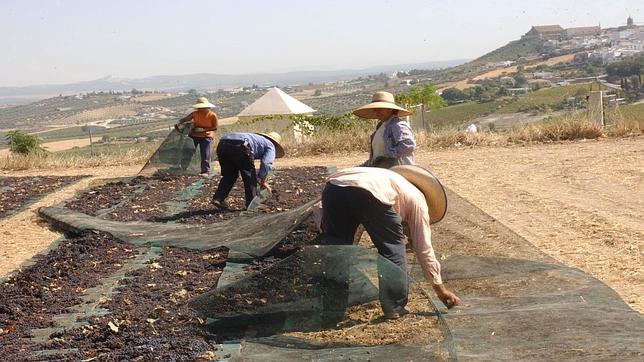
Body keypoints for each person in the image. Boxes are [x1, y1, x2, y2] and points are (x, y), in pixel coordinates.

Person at [317, 165, 460, 319]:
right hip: (369, 192)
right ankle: (394, 307)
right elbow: (423, 248)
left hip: (333, 189)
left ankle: (332, 309)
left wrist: (329, 233)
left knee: (337, 250)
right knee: (392, 248)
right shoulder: (418, 200)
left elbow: (318, 209)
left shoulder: (391, 181)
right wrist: (439, 289)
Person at [212, 132, 285, 209]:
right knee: (250, 176)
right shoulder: (271, 145)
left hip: (222, 143)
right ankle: (251, 204)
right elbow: (266, 163)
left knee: (229, 175)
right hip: (241, 145)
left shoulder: (257, 139)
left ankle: (218, 198)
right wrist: (262, 180)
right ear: (276, 144)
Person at [353, 91, 416, 168]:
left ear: (390, 109)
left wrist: (387, 157)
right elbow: (376, 156)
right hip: (381, 170)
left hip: (398, 171)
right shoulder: (380, 127)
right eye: (375, 109)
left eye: (380, 108)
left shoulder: (397, 125)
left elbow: (408, 145)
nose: (377, 111)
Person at [175, 96, 218, 175]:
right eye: (200, 108)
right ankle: (183, 168)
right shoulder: (194, 114)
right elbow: (185, 119)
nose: (201, 109)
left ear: (207, 107)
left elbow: (215, 127)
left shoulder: (212, 115)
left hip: (206, 136)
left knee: (205, 153)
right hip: (194, 135)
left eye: (203, 107)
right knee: (188, 151)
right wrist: (180, 123)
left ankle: (205, 171)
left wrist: (203, 130)